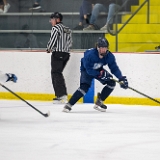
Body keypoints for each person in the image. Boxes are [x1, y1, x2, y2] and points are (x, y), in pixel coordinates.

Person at [62, 37, 128, 113]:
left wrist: (120, 78)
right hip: (86, 70)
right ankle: (69, 105)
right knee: (84, 87)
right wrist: (100, 74)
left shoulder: (109, 56)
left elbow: (114, 68)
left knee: (111, 83)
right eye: (101, 48)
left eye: (105, 48)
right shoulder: (90, 55)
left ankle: (99, 101)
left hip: (98, 68)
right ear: (97, 48)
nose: (103, 50)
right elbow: (89, 70)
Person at [46, 12, 72, 104]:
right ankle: (60, 95)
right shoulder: (67, 29)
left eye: (52, 19)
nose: (51, 22)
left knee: (56, 73)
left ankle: (62, 95)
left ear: (57, 19)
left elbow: (53, 39)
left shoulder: (56, 28)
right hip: (66, 54)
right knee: (58, 73)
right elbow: (70, 42)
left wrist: (49, 48)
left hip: (58, 53)